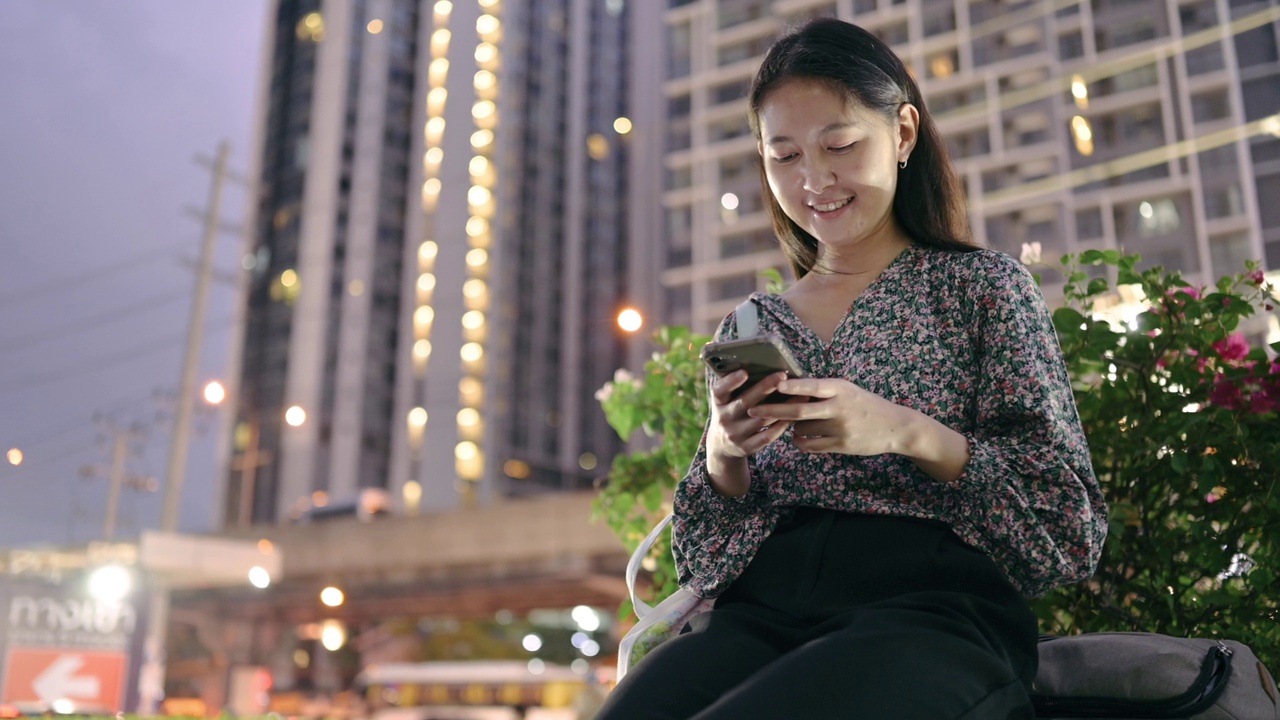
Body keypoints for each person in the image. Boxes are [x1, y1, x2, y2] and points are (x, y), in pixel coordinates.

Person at [596, 17, 1107, 720]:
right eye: (783, 156)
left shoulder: (981, 289)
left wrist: (905, 431)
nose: (813, 180)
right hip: (763, 616)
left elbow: (1065, 532)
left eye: (839, 145)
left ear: (902, 133)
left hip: (933, 616)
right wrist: (724, 449)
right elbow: (705, 562)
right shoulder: (755, 324)